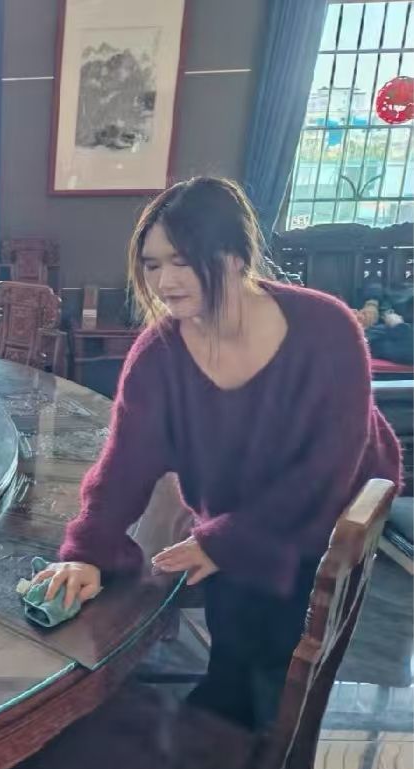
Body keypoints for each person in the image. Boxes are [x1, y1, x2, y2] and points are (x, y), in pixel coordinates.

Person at [36, 176, 402, 730]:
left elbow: (327, 469)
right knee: (224, 613)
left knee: (263, 627)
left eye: (182, 261)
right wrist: (87, 548)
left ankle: (249, 742)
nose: (164, 281)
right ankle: (228, 718)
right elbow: (124, 464)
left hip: (331, 505)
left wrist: (227, 541)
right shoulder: (159, 353)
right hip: (238, 502)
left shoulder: (327, 328)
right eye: (153, 264)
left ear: (235, 256)